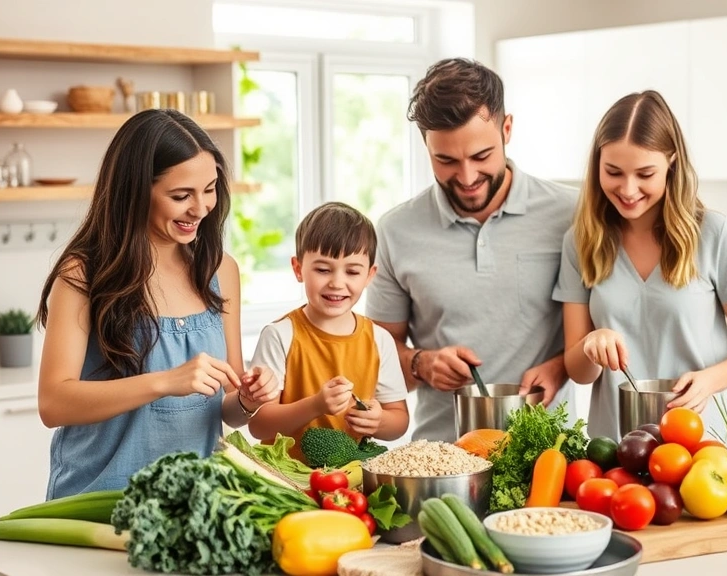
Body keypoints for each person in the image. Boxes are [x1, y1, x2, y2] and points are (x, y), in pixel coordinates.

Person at [36, 109, 279, 499]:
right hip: (96, 504)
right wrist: (165, 381)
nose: (201, 208)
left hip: (193, 504)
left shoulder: (220, 270)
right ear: (135, 192)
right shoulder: (85, 273)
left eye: (210, 189)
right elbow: (54, 403)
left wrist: (248, 400)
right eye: (181, 196)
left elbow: (227, 405)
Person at [365, 58, 579, 443]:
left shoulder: (573, 214)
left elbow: (606, 323)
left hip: (549, 456)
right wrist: (421, 362)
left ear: (507, 129)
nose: (466, 178)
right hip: (441, 456)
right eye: (445, 160)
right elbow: (374, 351)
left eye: (481, 156)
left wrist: (562, 366)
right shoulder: (396, 230)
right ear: (425, 145)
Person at [553, 90, 727, 442]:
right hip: (615, 451)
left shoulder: (714, 234)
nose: (628, 189)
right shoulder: (581, 242)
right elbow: (578, 372)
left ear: (671, 163)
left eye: (644, 174)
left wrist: (710, 380)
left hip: (700, 448)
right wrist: (592, 344)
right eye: (613, 172)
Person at [247, 202, 409, 451]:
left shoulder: (380, 339)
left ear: (370, 275)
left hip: (350, 480)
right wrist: (315, 405)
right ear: (298, 269)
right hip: (285, 480)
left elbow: (399, 420)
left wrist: (378, 421)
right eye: (323, 269)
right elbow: (259, 425)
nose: (337, 283)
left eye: (352, 272)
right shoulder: (279, 335)